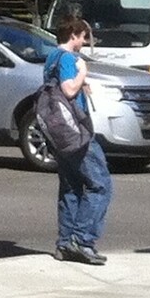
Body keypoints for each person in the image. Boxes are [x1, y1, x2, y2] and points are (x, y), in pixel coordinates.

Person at [49, 13, 111, 265]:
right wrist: (82, 74)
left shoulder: (51, 57)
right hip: (76, 132)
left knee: (71, 186)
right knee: (100, 184)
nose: (84, 43)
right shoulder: (68, 58)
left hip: (60, 132)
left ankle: (65, 243)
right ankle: (82, 239)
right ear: (73, 35)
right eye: (83, 37)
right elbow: (68, 89)